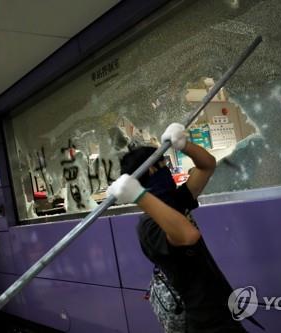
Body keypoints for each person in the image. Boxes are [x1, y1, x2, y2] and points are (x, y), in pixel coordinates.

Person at [108, 123, 259, 333]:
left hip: (220, 308)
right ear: (152, 170)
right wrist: (139, 196)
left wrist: (185, 145)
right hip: (200, 321)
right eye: (162, 164)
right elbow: (189, 235)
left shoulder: (175, 200)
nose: (167, 170)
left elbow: (207, 165)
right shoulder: (148, 226)